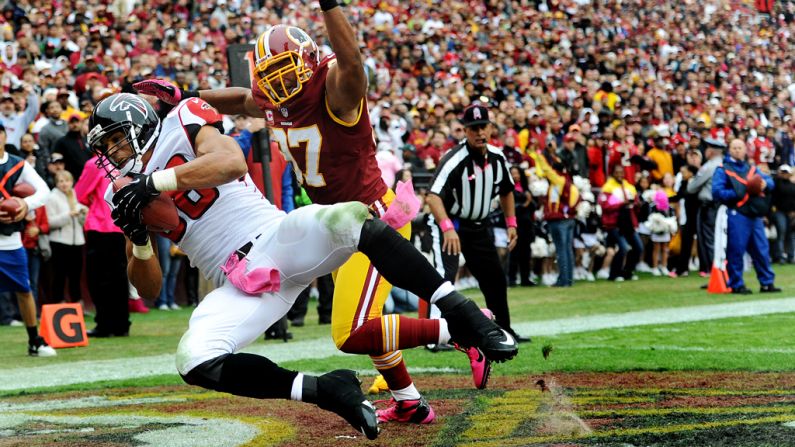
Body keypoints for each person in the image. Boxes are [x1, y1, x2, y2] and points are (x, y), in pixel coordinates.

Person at [133, 5, 496, 422]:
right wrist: (188, 98)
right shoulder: (274, 100)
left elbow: (352, 62)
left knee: (351, 330)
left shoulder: (334, 91)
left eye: (287, 71)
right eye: (271, 75)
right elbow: (241, 99)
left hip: (370, 219)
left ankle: (465, 327)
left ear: (309, 64)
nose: (280, 83)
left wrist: (329, 6)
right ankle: (409, 401)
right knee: (365, 319)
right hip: (328, 224)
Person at [88, 93, 517, 438]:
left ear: (140, 123)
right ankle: (328, 390)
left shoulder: (183, 119)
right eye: (104, 148)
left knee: (350, 219)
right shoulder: (118, 193)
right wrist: (141, 242)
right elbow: (146, 288)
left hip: (276, 239)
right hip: (237, 284)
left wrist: (156, 181)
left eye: (115, 140)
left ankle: (461, 313)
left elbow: (231, 162)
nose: (112, 153)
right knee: (194, 359)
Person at [425, 104, 530, 342]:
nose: (479, 132)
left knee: (494, 277)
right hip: (452, 224)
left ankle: (503, 331)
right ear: (465, 131)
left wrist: (511, 223)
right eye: (474, 128)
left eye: (483, 127)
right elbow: (433, 196)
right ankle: (435, 338)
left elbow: (506, 190)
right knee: (444, 276)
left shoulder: (497, 157)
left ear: (491, 128)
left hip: (478, 226)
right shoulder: (454, 159)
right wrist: (448, 228)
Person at [0, 123, 55, 356]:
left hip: (10, 239)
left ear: (4, 136)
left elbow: (43, 190)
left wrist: (25, 204)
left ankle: (34, 340)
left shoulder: (17, 163)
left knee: (24, 289)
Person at [712, 139, 782, 295]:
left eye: (740, 147)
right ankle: (736, 284)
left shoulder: (751, 169)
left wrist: (764, 184)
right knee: (736, 250)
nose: (737, 150)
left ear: (745, 150)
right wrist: (737, 193)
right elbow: (717, 193)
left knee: (761, 249)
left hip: (754, 214)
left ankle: (767, 283)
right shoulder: (722, 169)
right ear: (729, 150)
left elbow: (770, 182)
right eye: (734, 148)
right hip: (737, 213)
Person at [75, 151, 131, 337]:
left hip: (100, 226)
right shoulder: (128, 161)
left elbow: (80, 194)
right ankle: (122, 324)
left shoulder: (95, 164)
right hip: (122, 227)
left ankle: (105, 324)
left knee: (98, 278)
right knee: (120, 277)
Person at [529, 150, 580, 287]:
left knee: (561, 250)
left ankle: (563, 280)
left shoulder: (558, 180)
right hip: (569, 218)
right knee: (568, 250)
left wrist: (538, 155)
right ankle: (569, 279)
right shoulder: (568, 179)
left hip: (558, 219)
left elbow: (545, 169)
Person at [46, 170, 87, 303]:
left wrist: (83, 213)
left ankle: (77, 303)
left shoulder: (73, 194)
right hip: (59, 242)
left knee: (75, 275)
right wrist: (69, 215)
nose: (64, 184)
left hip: (77, 242)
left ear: (72, 182)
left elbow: (82, 223)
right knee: (59, 275)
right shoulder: (52, 197)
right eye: (61, 181)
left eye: (67, 181)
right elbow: (50, 222)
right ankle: (58, 303)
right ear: (56, 183)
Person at [687, 137, 726, 277]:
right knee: (718, 238)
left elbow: (692, 188)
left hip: (708, 206)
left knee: (708, 239)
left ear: (711, 151)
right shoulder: (724, 164)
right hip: (720, 206)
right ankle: (720, 270)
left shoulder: (709, 166)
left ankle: (713, 271)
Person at [771, 164, 795, 263]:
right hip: (779, 212)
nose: (784, 174)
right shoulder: (775, 184)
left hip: (791, 213)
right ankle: (780, 256)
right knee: (781, 231)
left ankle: (791, 256)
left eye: (786, 172)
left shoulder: (793, 185)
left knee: (791, 234)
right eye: (783, 172)